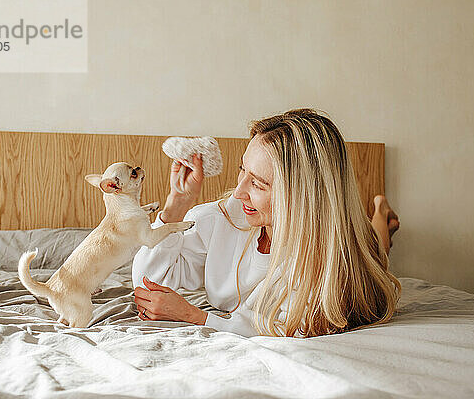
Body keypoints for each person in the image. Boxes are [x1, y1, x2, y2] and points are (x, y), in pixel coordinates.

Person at [132, 109, 401, 338]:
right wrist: (177, 204)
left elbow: (291, 328)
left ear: (302, 196)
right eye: (242, 170)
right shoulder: (223, 218)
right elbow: (148, 282)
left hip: (353, 242)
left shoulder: (330, 264)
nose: (238, 192)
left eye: (258, 184)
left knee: (376, 245)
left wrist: (194, 316)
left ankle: (380, 216)